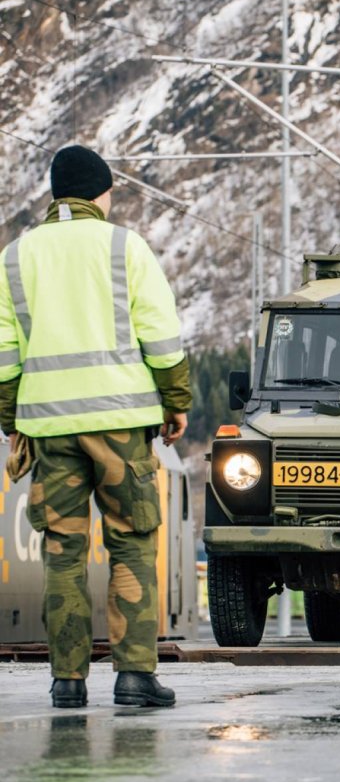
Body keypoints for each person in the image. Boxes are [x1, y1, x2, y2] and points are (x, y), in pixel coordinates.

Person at [0, 145, 190, 709]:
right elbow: (161, 335)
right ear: (102, 194)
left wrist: (12, 420)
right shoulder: (124, 246)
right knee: (132, 543)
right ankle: (134, 676)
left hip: (49, 427)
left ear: (56, 194)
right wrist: (176, 402)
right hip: (121, 424)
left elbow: (4, 355)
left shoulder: (15, 257)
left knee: (63, 551)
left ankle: (67, 681)